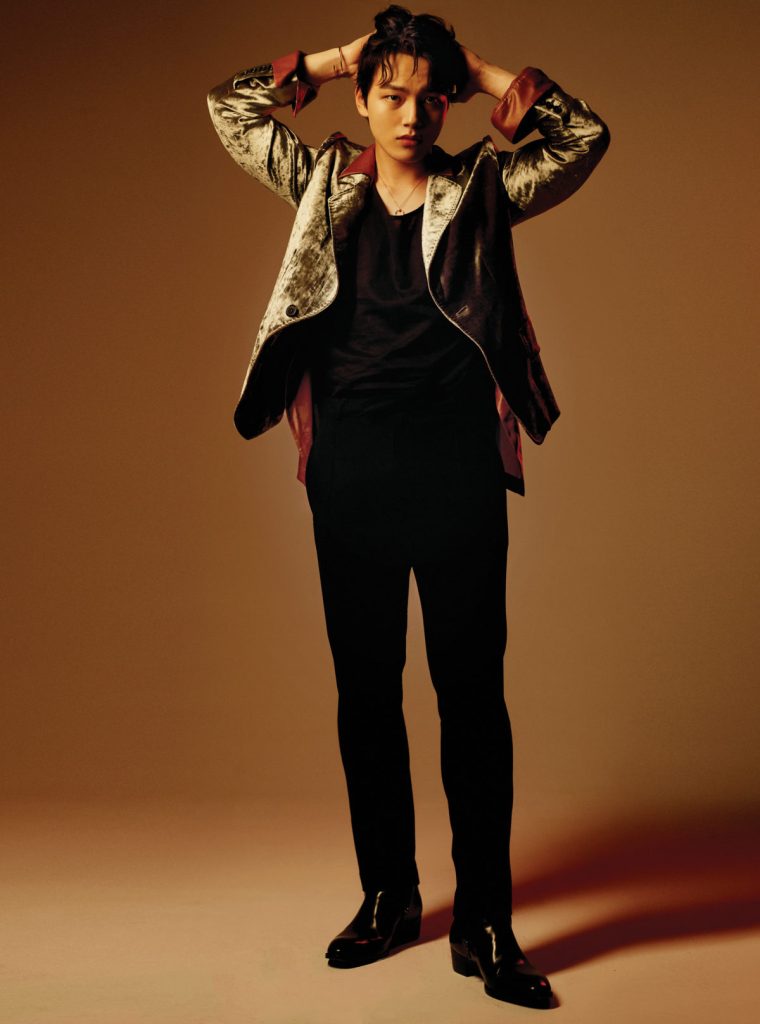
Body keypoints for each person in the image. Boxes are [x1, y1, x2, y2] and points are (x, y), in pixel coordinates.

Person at [207, 4, 609, 1010]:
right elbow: (229, 107)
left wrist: (478, 69)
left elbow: (582, 137)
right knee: (367, 695)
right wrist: (342, 54)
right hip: (350, 469)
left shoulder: (480, 189)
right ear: (361, 96)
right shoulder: (321, 182)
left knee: (473, 699)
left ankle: (486, 923)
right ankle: (388, 896)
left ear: (448, 103)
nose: (412, 114)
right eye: (391, 93)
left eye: (431, 98)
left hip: (457, 468)